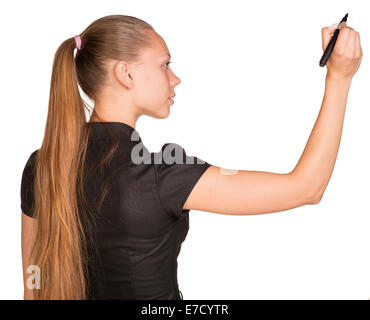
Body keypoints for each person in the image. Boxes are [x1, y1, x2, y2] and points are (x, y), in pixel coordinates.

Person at [20, 15, 362, 300]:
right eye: (165, 64)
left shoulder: (42, 166)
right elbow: (305, 187)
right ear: (126, 74)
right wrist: (339, 78)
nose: (175, 78)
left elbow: (33, 280)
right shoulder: (162, 177)